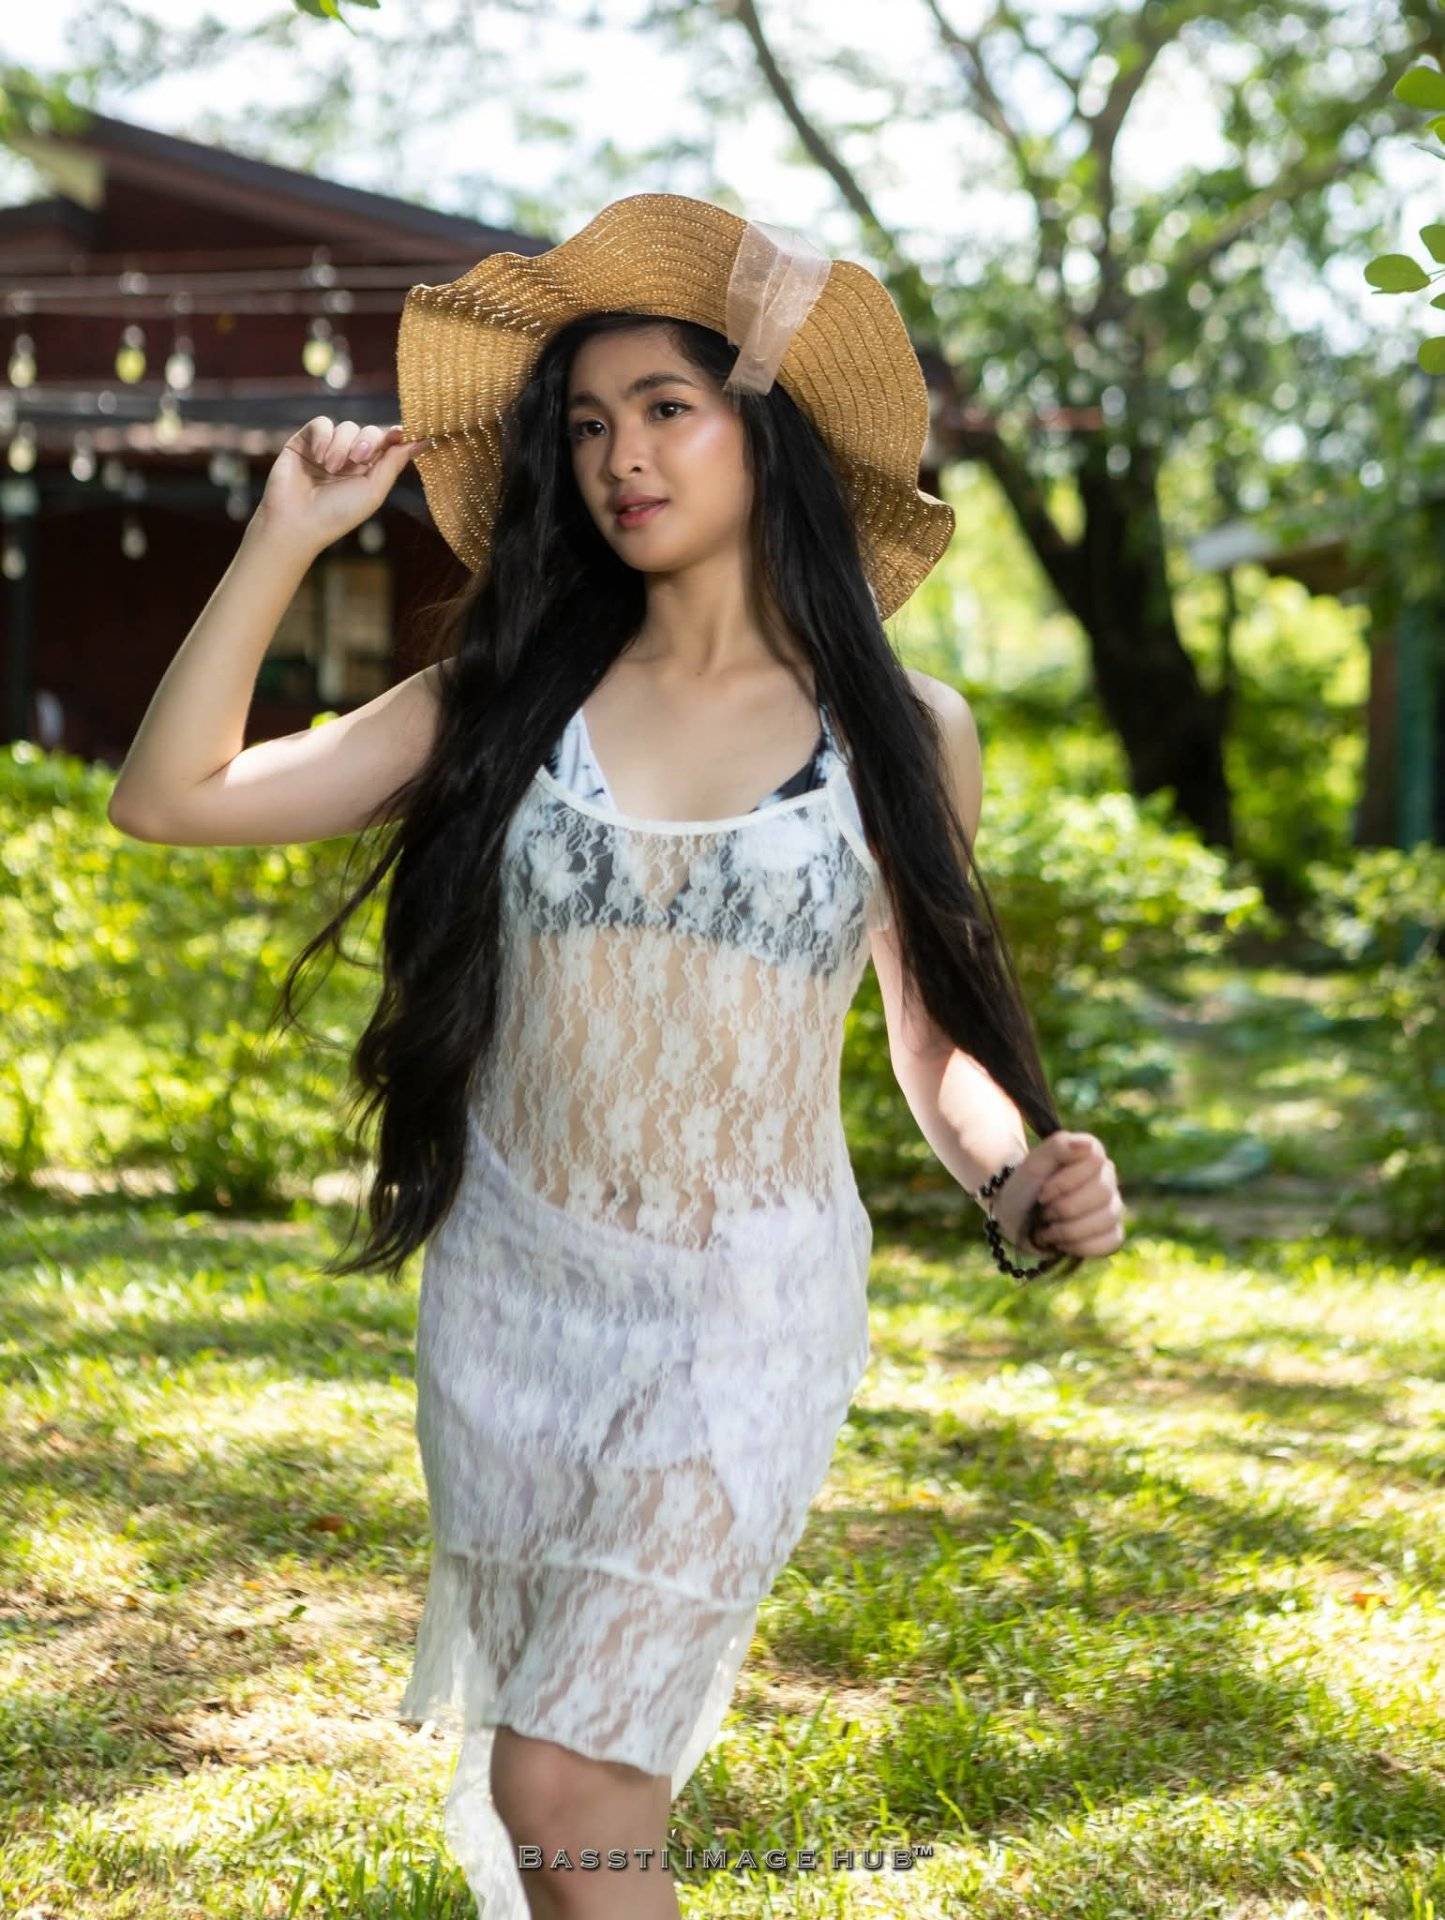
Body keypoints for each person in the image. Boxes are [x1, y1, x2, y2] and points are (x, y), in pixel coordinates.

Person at [107, 192, 1125, 1920]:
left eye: (665, 407)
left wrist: (1015, 1173)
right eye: (584, 426)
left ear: (769, 433)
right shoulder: (503, 696)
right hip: (511, 1301)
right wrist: (286, 533)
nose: (618, 457)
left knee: (561, 1774)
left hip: (746, 1304)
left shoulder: (898, 729)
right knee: (570, 1811)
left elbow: (930, 1035)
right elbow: (171, 798)